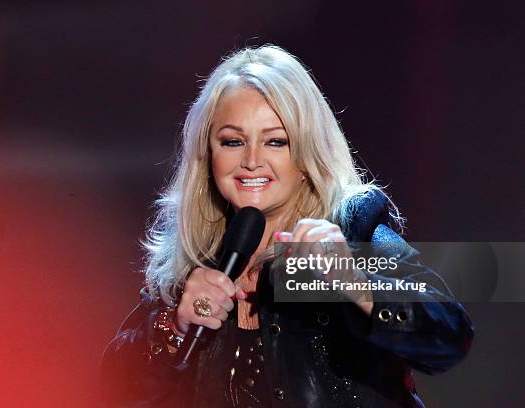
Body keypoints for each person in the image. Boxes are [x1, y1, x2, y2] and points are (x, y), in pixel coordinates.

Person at [100, 45, 474, 408]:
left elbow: (449, 337)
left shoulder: (352, 231)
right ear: (208, 155)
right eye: (232, 141)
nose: (251, 161)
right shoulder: (194, 264)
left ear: (305, 153)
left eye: (275, 141)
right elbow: (111, 390)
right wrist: (175, 325)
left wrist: (353, 283)